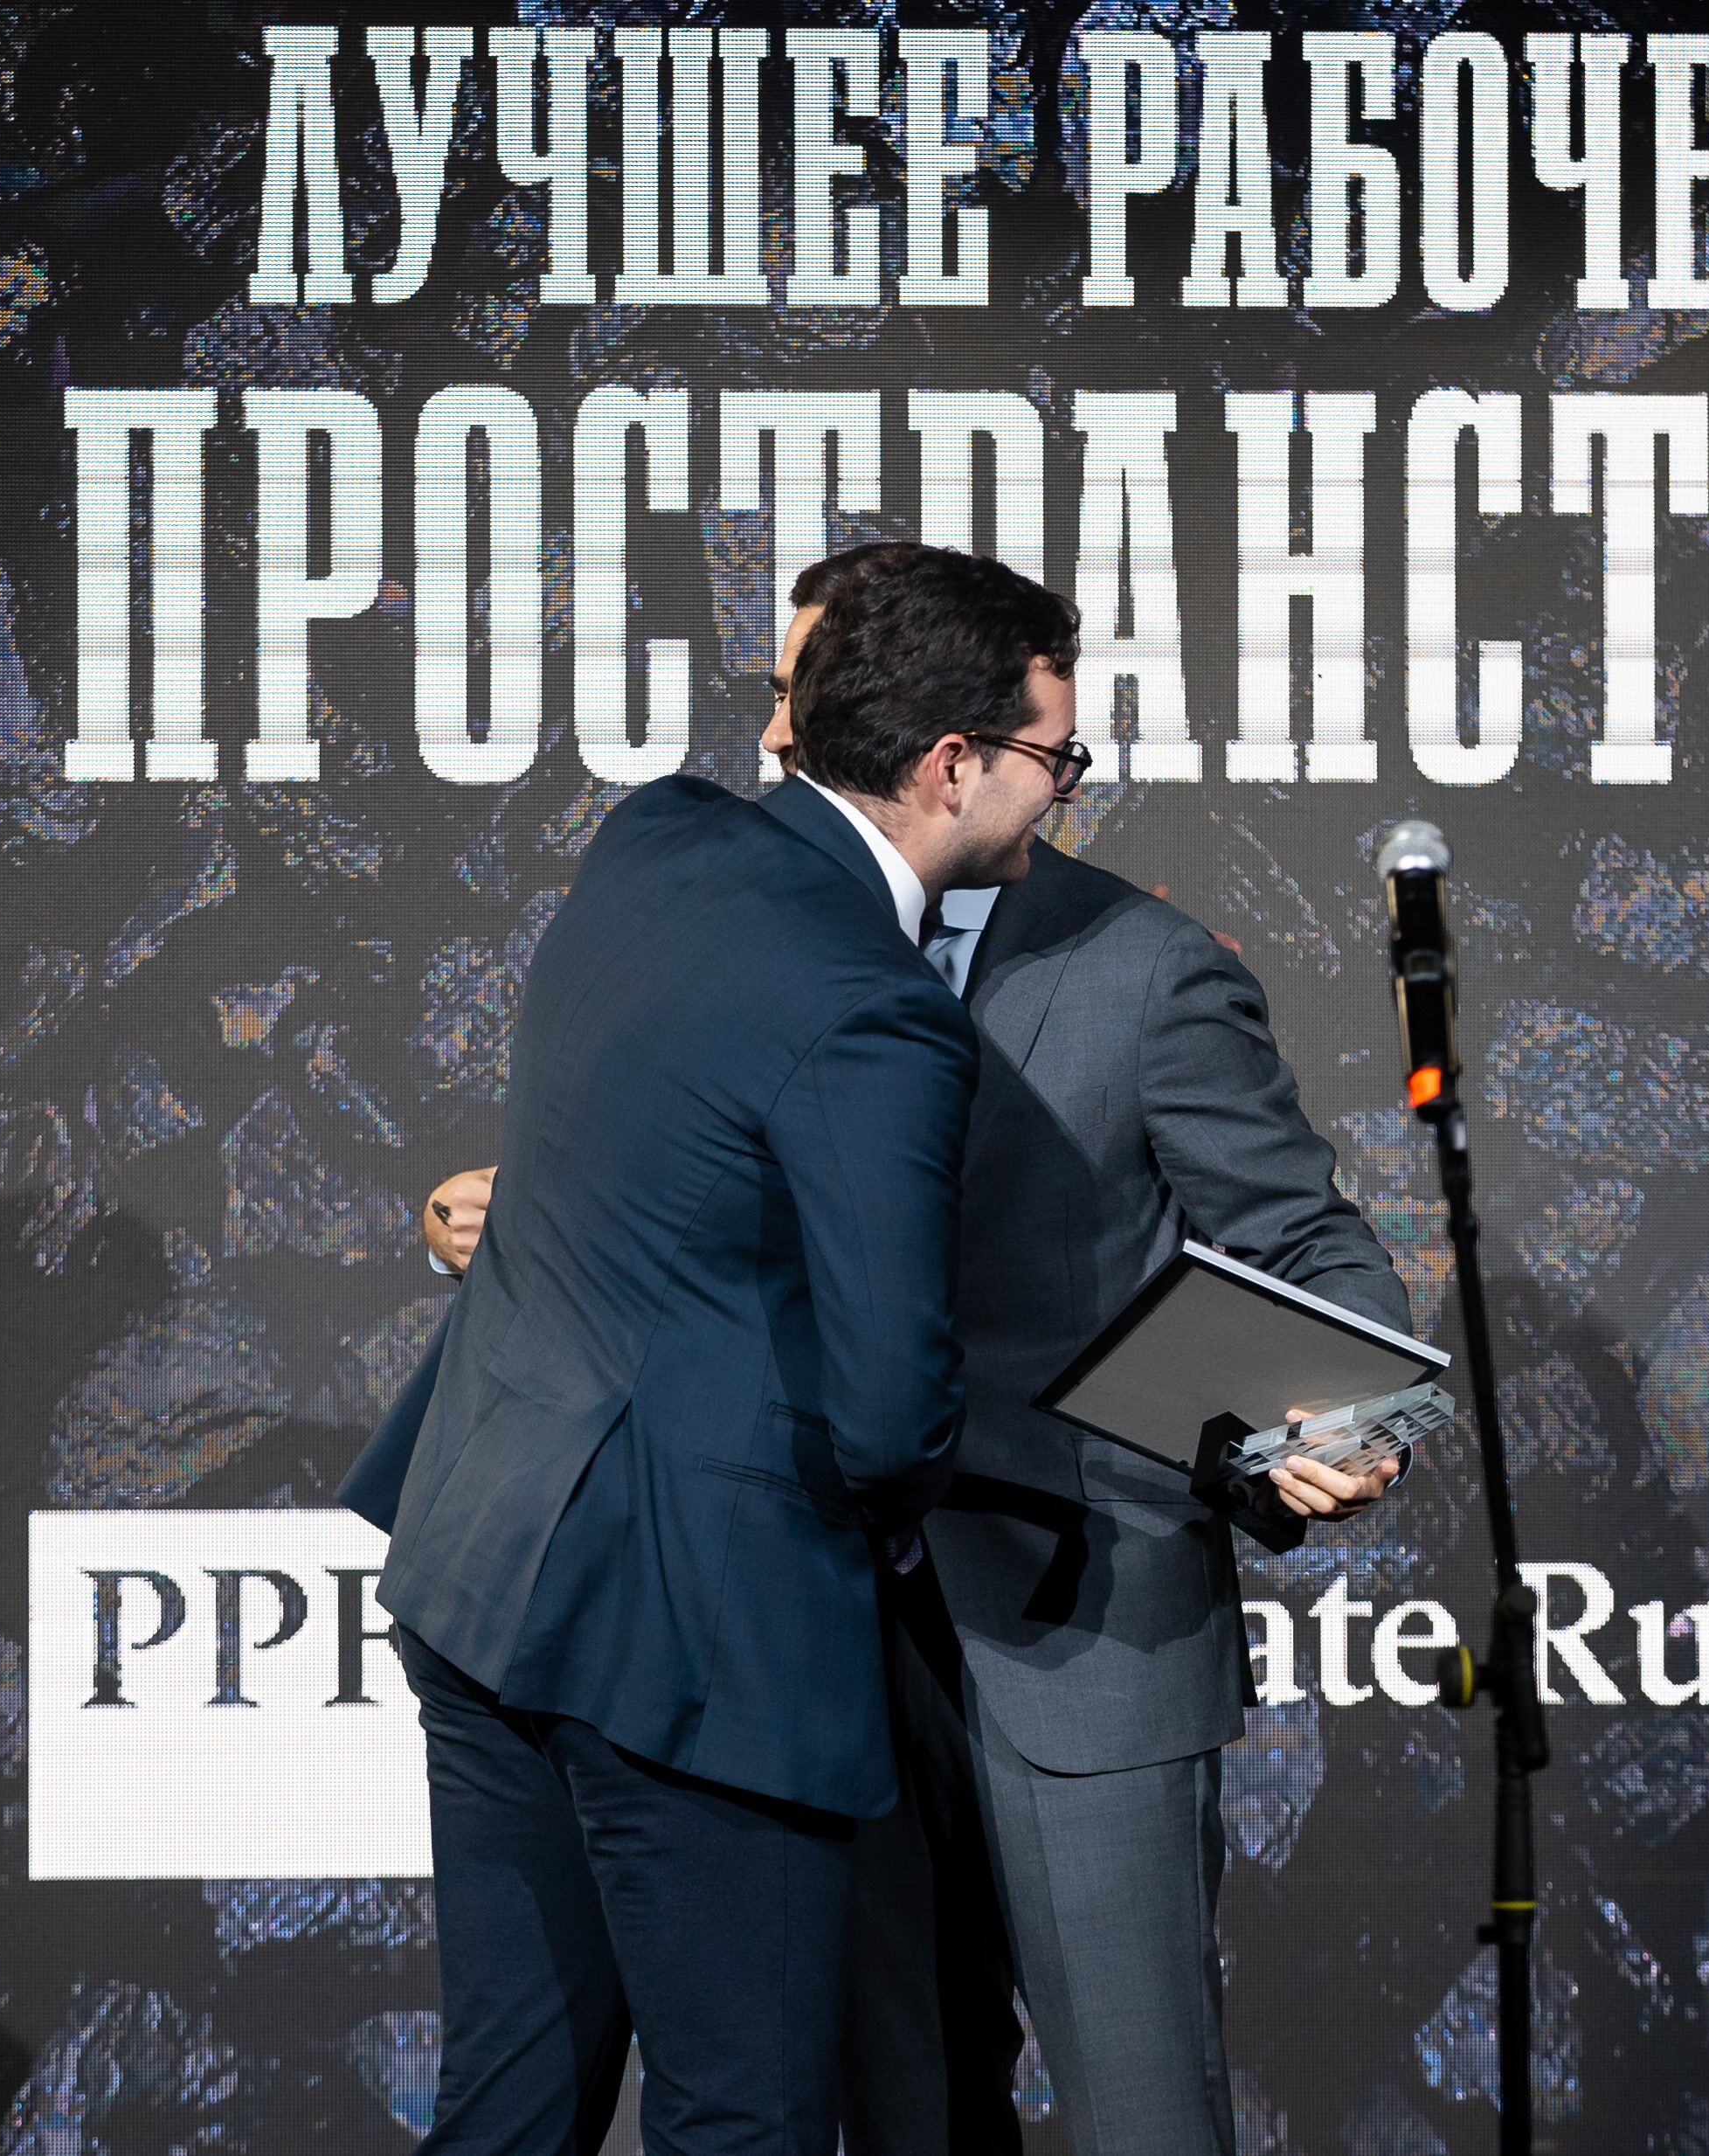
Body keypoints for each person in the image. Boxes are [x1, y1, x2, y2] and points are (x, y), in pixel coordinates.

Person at [371, 542, 1408, 2156]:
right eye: (784, 693)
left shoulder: (1147, 969)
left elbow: (1305, 1244)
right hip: (796, 1629)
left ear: (940, 744)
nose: (783, 731)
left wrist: (1335, 1415)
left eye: (806, 693)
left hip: (1073, 1623)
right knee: (886, 2111)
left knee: (1138, 2112)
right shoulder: (714, 887)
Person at [358, 544, 1085, 2156]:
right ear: (950, 764)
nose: (1066, 788)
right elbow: (888, 1415)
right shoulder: (881, 1014)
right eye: (1057, 756)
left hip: (482, 1565)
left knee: (508, 2104)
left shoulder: (655, 838)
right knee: (743, 2120)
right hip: (692, 1642)